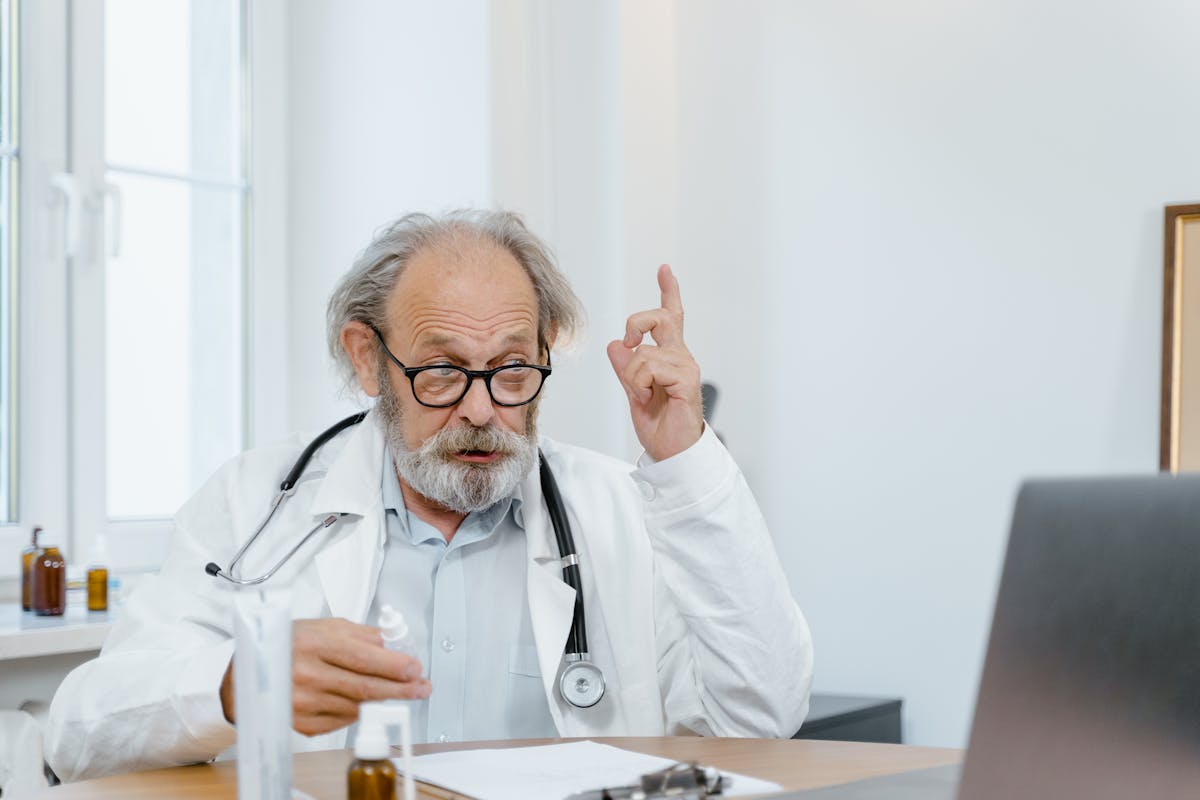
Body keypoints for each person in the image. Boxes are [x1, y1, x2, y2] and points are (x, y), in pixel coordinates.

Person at [44, 210, 813, 781]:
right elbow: (78, 730)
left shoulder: (622, 511)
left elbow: (761, 717)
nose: (481, 409)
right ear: (368, 359)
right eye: (442, 371)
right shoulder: (254, 505)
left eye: (513, 371)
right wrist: (232, 685)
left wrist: (685, 457)